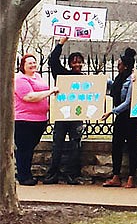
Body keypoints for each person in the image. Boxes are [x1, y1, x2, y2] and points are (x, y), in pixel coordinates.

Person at [44, 36, 85, 185]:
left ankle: (71, 175)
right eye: (74, 61)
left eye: (79, 61)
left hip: (76, 117)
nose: (77, 64)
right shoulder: (62, 74)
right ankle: (53, 173)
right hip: (62, 115)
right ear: (69, 64)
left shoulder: (85, 79)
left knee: (75, 145)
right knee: (58, 145)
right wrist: (61, 43)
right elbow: (53, 61)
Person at [14, 54, 59, 186]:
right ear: (23, 65)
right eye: (29, 63)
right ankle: (23, 177)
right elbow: (29, 97)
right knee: (24, 148)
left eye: (34, 62)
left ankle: (27, 174)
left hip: (39, 120)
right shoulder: (20, 79)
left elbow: (41, 95)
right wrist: (50, 92)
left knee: (30, 148)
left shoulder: (37, 76)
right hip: (24, 120)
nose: (33, 65)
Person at [101, 47, 137, 189]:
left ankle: (131, 177)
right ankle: (116, 176)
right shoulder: (119, 79)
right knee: (116, 145)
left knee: (132, 147)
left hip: (132, 118)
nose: (117, 67)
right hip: (121, 118)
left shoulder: (132, 79)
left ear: (126, 66)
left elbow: (129, 101)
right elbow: (114, 88)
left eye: (119, 65)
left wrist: (111, 112)